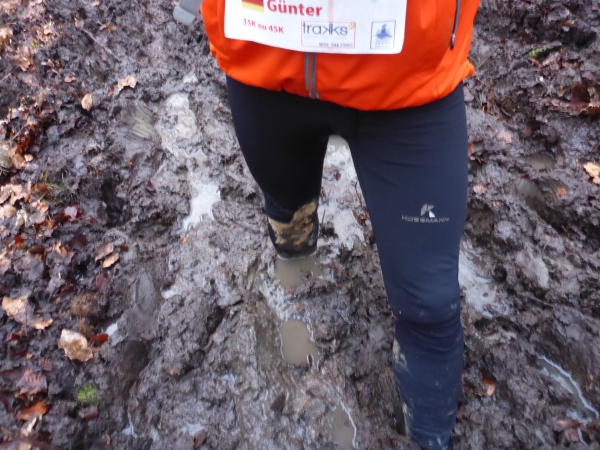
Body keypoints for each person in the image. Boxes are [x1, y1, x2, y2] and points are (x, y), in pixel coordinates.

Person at [200, 0, 479, 448]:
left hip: (410, 80)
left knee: (430, 304)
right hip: (263, 61)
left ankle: (428, 438)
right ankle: (296, 270)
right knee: (289, 221)